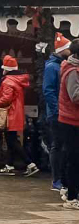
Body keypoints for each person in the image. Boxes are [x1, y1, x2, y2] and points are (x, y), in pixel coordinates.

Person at [0, 56, 38, 176]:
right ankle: (9, 165)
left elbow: (7, 98)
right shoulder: (17, 80)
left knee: (12, 141)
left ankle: (30, 164)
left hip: (10, 114)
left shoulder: (8, 81)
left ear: (6, 69)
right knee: (10, 140)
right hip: (16, 113)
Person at [45, 34, 71, 192]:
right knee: (57, 145)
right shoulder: (52, 67)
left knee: (62, 145)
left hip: (61, 111)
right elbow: (48, 91)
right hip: (56, 114)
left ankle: (62, 177)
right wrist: (57, 110)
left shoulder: (60, 65)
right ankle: (56, 179)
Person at [59, 39, 79, 210]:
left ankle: (69, 190)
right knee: (73, 158)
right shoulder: (72, 71)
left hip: (72, 119)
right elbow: (75, 96)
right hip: (71, 121)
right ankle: (72, 196)